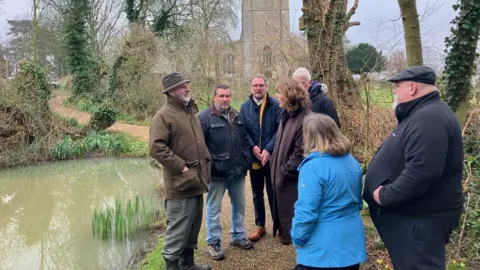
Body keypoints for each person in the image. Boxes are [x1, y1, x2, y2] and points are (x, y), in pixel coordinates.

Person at [363, 66, 465, 270]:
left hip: (419, 222)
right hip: (414, 219)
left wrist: (385, 195)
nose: (394, 91)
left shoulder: (429, 118)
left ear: (412, 87)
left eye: (397, 86)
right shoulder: (423, 113)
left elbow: (422, 171)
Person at [149, 72, 211, 270]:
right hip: (180, 185)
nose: (187, 88)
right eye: (182, 86)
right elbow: (156, 147)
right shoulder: (163, 115)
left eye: (187, 85)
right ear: (171, 92)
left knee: (192, 228)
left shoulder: (188, 111)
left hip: (196, 181)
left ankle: (188, 265)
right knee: (177, 233)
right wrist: (181, 166)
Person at [291, 113, 367, 270]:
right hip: (352, 241)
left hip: (323, 248)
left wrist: (298, 238)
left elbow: (306, 212)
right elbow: (357, 202)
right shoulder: (352, 161)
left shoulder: (312, 167)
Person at [198, 84, 254, 260]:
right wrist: (209, 166)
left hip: (237, 171)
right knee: (213, 208)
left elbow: (244, 140)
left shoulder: (236, 115)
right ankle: (213, 241)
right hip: (217, 173)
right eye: (221, 96)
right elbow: (199, 147)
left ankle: (237, 235)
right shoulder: (204, 117)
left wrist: (245, 160)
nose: (225, 99)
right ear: (214, 97)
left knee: (239, 205)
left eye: (227, 96)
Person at [240, 75, 282, 242]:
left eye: (261, 85)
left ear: (266, 87)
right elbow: (243, 131)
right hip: (254, 159)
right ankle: (260, 226)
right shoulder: (244, 107)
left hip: (271, 159)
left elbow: (280, 129)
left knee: (274, 193)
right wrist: (253, 147)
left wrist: (268, 149)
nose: (258, 88)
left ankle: (279, 228)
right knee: (257, 193)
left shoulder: (276, 105)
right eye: (255, 85)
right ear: (251, 87)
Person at [270, 77, 311, 245]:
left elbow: (300, 153)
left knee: (294, 217)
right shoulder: (286, 114)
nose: (276, 96)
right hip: (281, 177)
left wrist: (284, 172)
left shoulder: (305, 118)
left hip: (291, 180)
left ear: (289, 94)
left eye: (279, 92)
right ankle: (286, 235)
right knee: (283, 213)